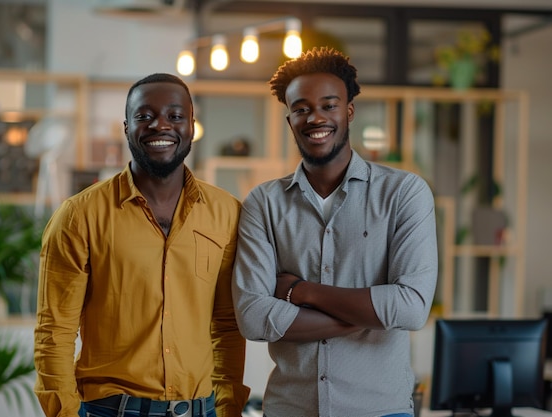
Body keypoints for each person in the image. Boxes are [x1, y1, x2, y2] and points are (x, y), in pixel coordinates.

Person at [232, 47, 438, 417]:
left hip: (380, 410)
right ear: (290, 118)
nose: (316, 117)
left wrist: (301, 291)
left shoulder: (404, 194)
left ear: (349, 111)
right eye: (302, 108)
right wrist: (367, 314)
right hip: (290, 409)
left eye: (329, 105)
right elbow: (253, 315)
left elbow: (410, 307)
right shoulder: (263, 203)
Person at [34, 73, 250, 417]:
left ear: (191, 125)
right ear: (126, 127)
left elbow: (226, 326)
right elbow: (54, 332)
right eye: (144, 116)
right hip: (110, 410)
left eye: (175, 116)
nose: (160, 126)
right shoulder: (79, 216)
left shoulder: (227, 213)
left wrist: (227, 409)